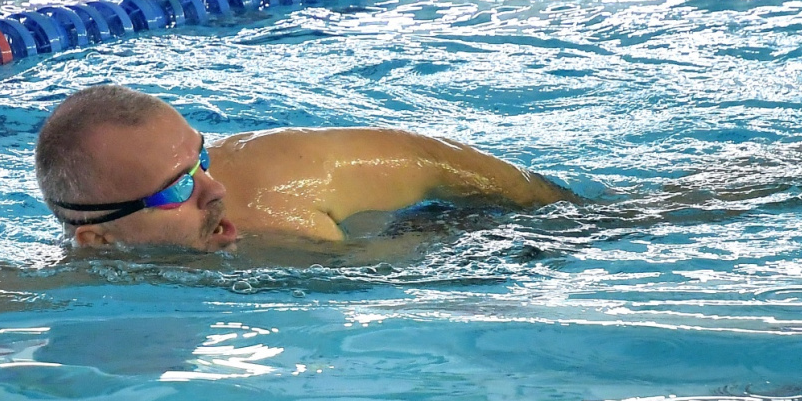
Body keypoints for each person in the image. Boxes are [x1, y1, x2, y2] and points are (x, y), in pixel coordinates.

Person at [35, 84, 577, 253]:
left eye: (201, 158)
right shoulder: (85, 282)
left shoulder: (281, 174)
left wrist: (573, 218)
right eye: (178, 188)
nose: (214, 187)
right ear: (98, 240)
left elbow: (428, 160)